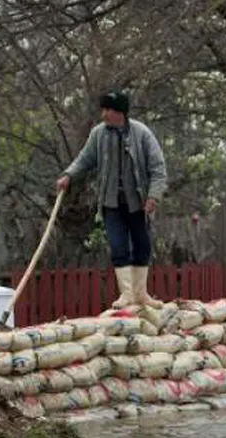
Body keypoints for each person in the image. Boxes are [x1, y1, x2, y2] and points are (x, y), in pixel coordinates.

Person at [57, 90, 168, 309]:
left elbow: (158, 167)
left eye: (108, 109)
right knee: (118, 246)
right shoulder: (99, 134)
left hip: (138, 202)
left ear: (120, 113)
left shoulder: (141, 133)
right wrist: (68, 175)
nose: (104, 114)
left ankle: (141, 293)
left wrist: (154, 195)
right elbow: (85, 158)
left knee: (142, 246)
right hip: (111, 203)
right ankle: (126, 294)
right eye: (104, 109)